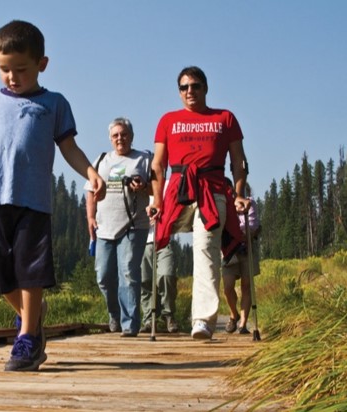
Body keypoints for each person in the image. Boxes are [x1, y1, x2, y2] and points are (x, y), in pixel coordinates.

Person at [0, 20, 105, 372]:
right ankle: (30, 316)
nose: (11, 77)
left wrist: (90, 171)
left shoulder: (53, 104)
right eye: (4, 69)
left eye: (20, 69)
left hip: (34, 203)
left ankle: (27, 341)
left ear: (42, 64)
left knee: (31, 273)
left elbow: (68, 147)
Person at [148, 66, 251, 340]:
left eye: (195, 86)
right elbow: (158, 165)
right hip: (178, 188)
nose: (189, 91)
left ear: (206, 88)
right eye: (184, 87)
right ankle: (153, 312)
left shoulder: (225, 118)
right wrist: (157, 199)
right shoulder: (168, 120)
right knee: (160, 242)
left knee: (205, 248)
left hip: (212, 189)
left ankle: (202, 320)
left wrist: (238, 192)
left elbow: (238, 161)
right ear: (179, 92)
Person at [86, 117, 152, 337]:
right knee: (103, 276)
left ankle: (130, 324)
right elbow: (90, 189)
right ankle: (114, 314)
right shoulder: (101, 160)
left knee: (128, 274)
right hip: (104, 227)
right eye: (115, 135)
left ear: (131, 136)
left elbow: (158, 186)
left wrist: (143, 186)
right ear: (110, 138)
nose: (120, 138)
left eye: (124, 134)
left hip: (133, 225)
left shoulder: (144, 159)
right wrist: (90, 217)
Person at [140, 191, 178, 334]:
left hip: (164, 239)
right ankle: (150, 320)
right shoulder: (138, 187)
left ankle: (168, 314)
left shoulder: (167, 185)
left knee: (166, 275)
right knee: (146, 281)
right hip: (144, 239)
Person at [222, 194, 261, 334]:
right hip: (229, 248)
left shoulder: (250, 203)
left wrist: (240, 213)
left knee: (246, 284)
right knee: (227, 287)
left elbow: (253, 225)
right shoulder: (225, 202)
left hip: (246, 246)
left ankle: (242, 324)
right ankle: (234, 314)